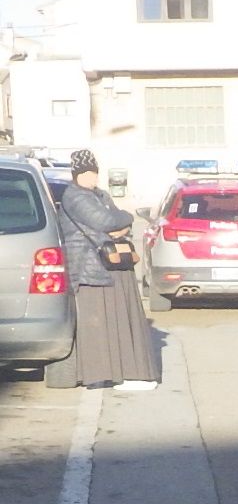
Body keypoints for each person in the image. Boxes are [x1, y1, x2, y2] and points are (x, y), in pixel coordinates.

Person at [50, 149, 159, 391]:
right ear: (77, 174)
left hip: (110, 263)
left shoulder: (99, 195)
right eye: (87, 173)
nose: (92, 178)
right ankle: (103, 374)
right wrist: (125, 218)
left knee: (119, 318)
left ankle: (123, 372)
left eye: (94, 173)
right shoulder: (75, 197)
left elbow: (117, 225)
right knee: (98, 324)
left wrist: (122, 222)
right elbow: (108, 222)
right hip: (90, 269)